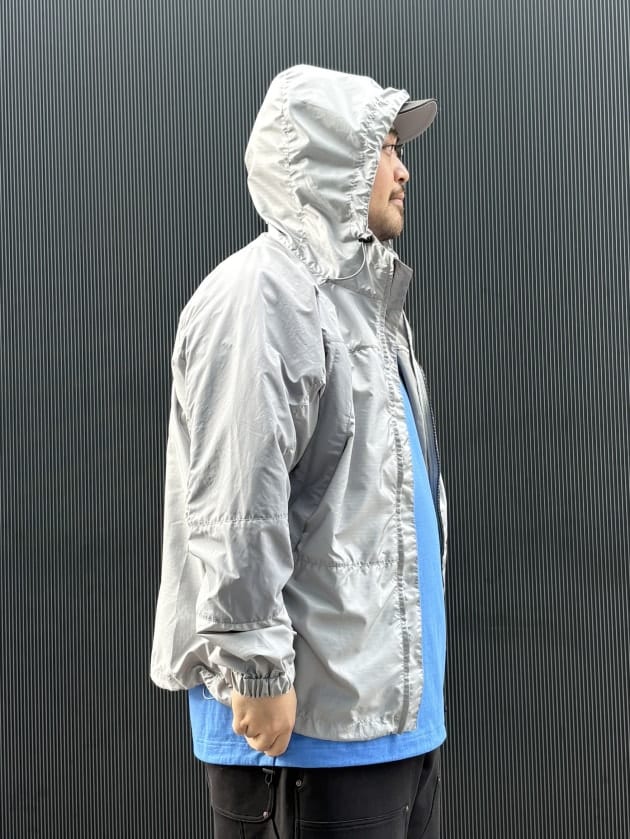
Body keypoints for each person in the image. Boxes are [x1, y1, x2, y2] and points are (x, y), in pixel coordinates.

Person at [151, 64, 448, 838]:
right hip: (306, 737)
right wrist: (253, 667)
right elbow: (234, 498)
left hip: (383, 719)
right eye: (385, 147)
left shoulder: (369, 309)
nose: (403, 171)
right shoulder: (265, 294)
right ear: (328, 157)